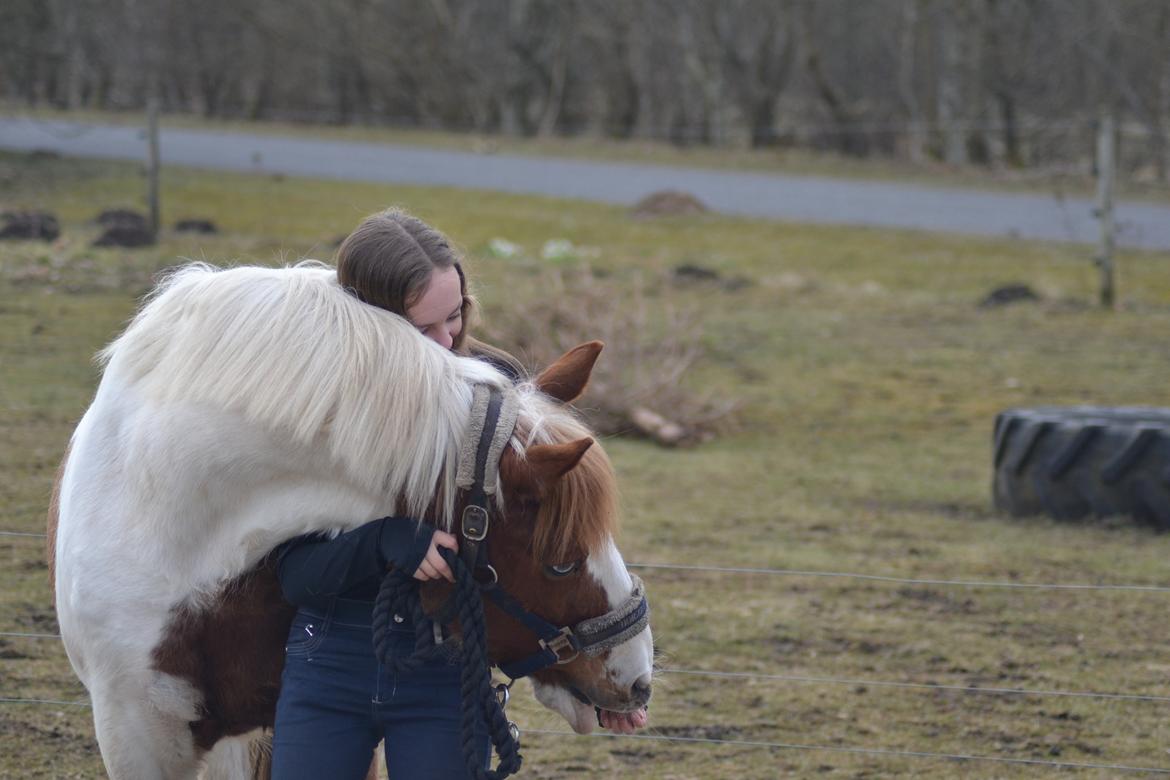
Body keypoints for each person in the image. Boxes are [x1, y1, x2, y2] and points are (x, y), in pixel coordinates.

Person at [270, 209, 521, 779]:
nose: (445, 341)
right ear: (368, 321)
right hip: (327, 656)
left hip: (448, 666)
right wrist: (385, 541)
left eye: (453, 316)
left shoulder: (491, 388)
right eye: (420, 329)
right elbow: (293, 573)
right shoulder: (313, 410)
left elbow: (539, 540)